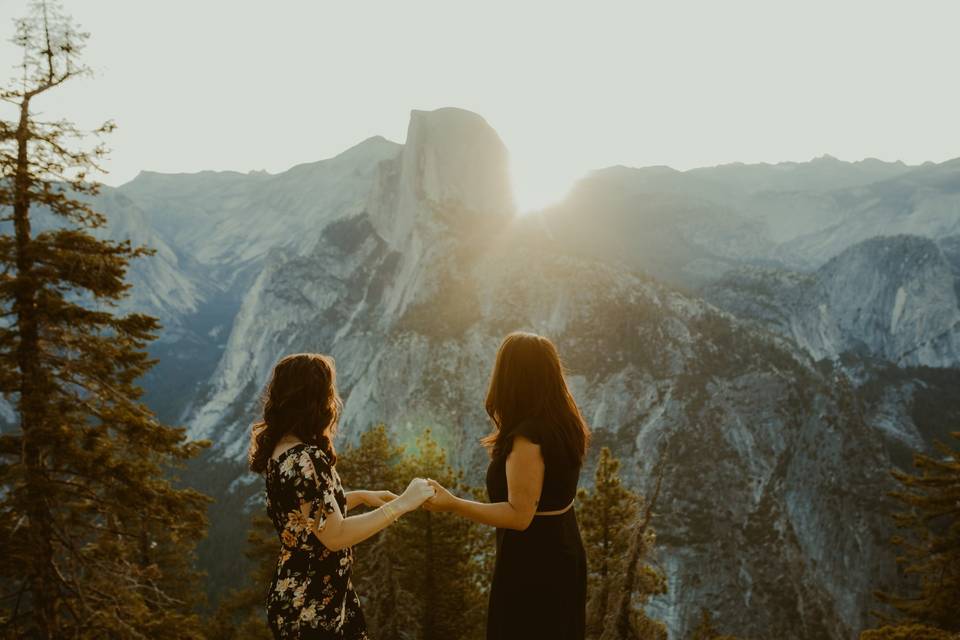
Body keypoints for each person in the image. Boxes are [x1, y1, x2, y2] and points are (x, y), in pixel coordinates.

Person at [248, 352, 435, 639]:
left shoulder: (282, 451)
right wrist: (402, 504)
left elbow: (308, 512)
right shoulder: (305, 459)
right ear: (316, 401)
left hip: (305, 594)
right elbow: (334, 536)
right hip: (313, 606)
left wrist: (360, 496)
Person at [426, 332, 590, 640]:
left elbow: (519, 516)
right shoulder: (565, 422)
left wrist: (452, 503)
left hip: (534, 564)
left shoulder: (528, 438)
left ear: (511, 378)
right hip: (564, 547)